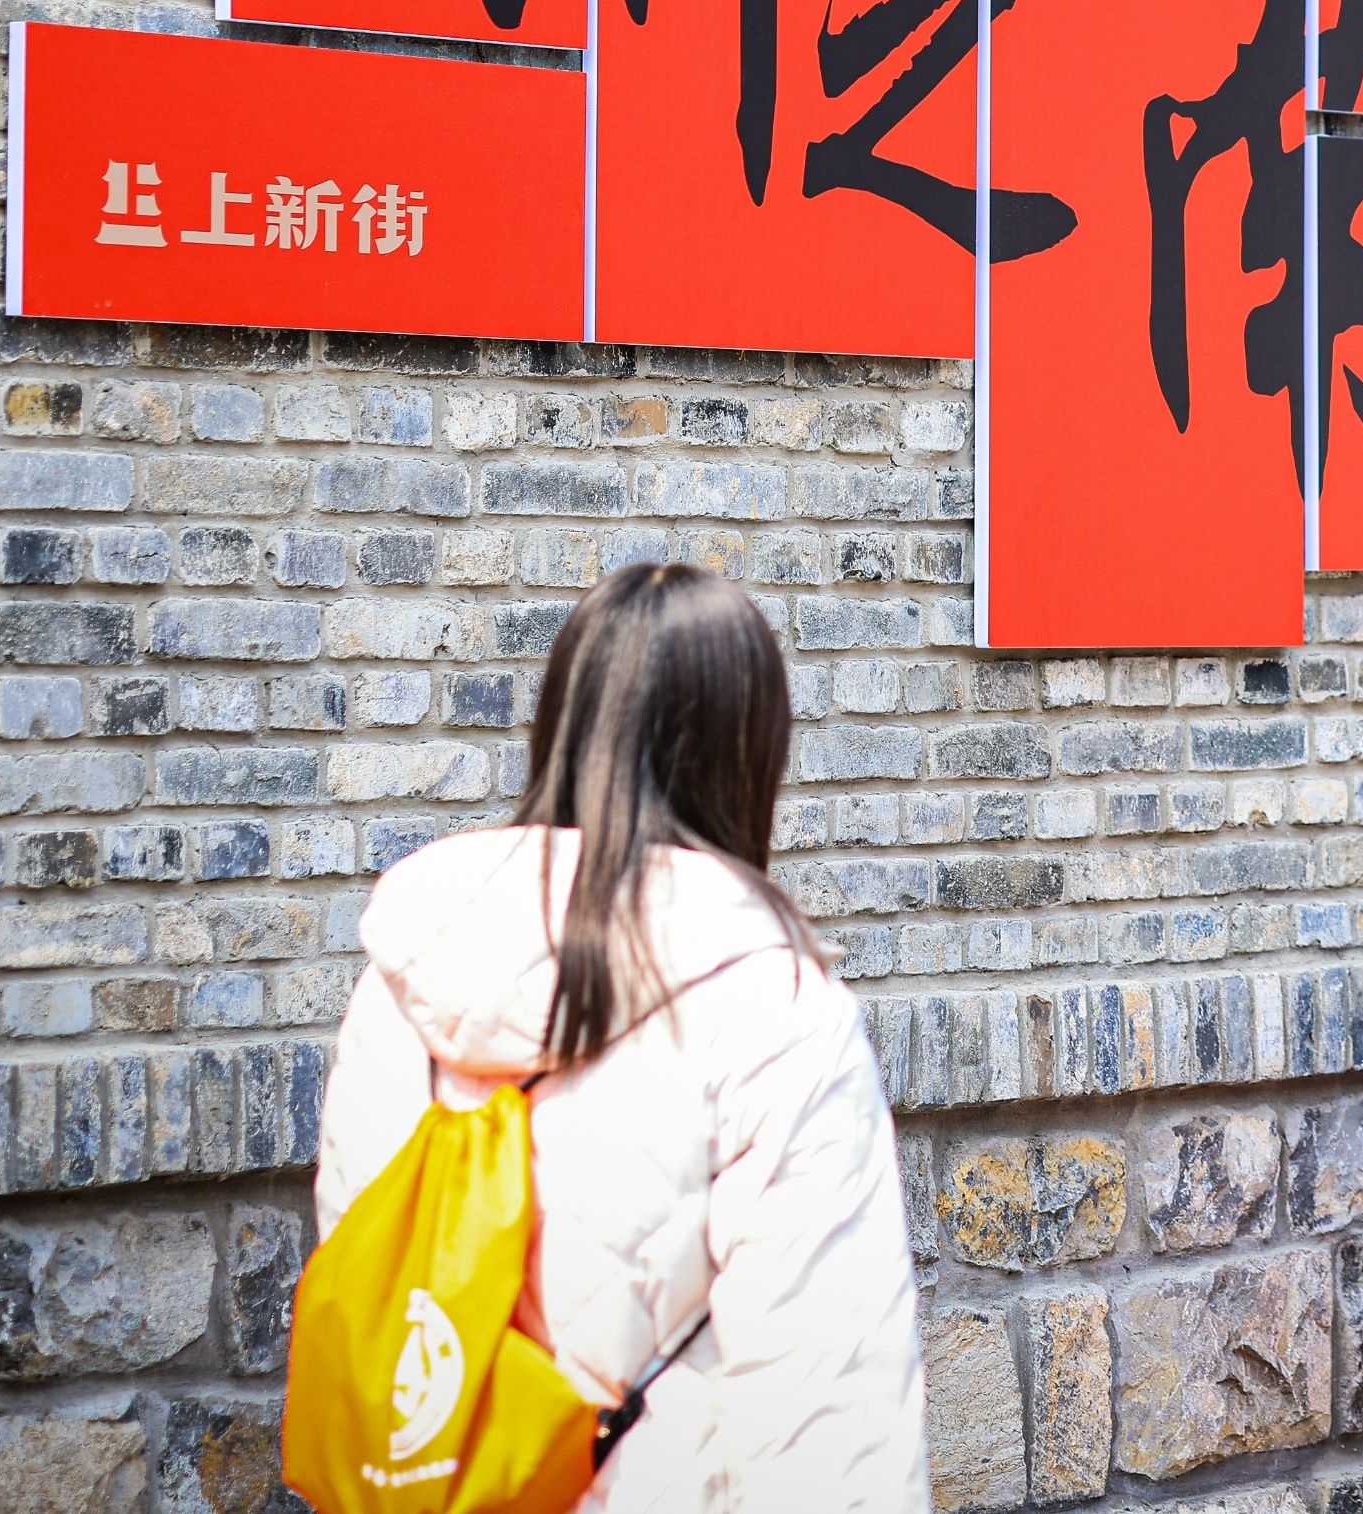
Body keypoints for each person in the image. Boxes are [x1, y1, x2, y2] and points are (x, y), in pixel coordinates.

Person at [312, 562, 926, 1512]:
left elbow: (363, 1281)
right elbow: (828, 1412)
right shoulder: (775, 1010)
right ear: (746, 755)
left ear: (562, 723)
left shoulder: (405, 983)